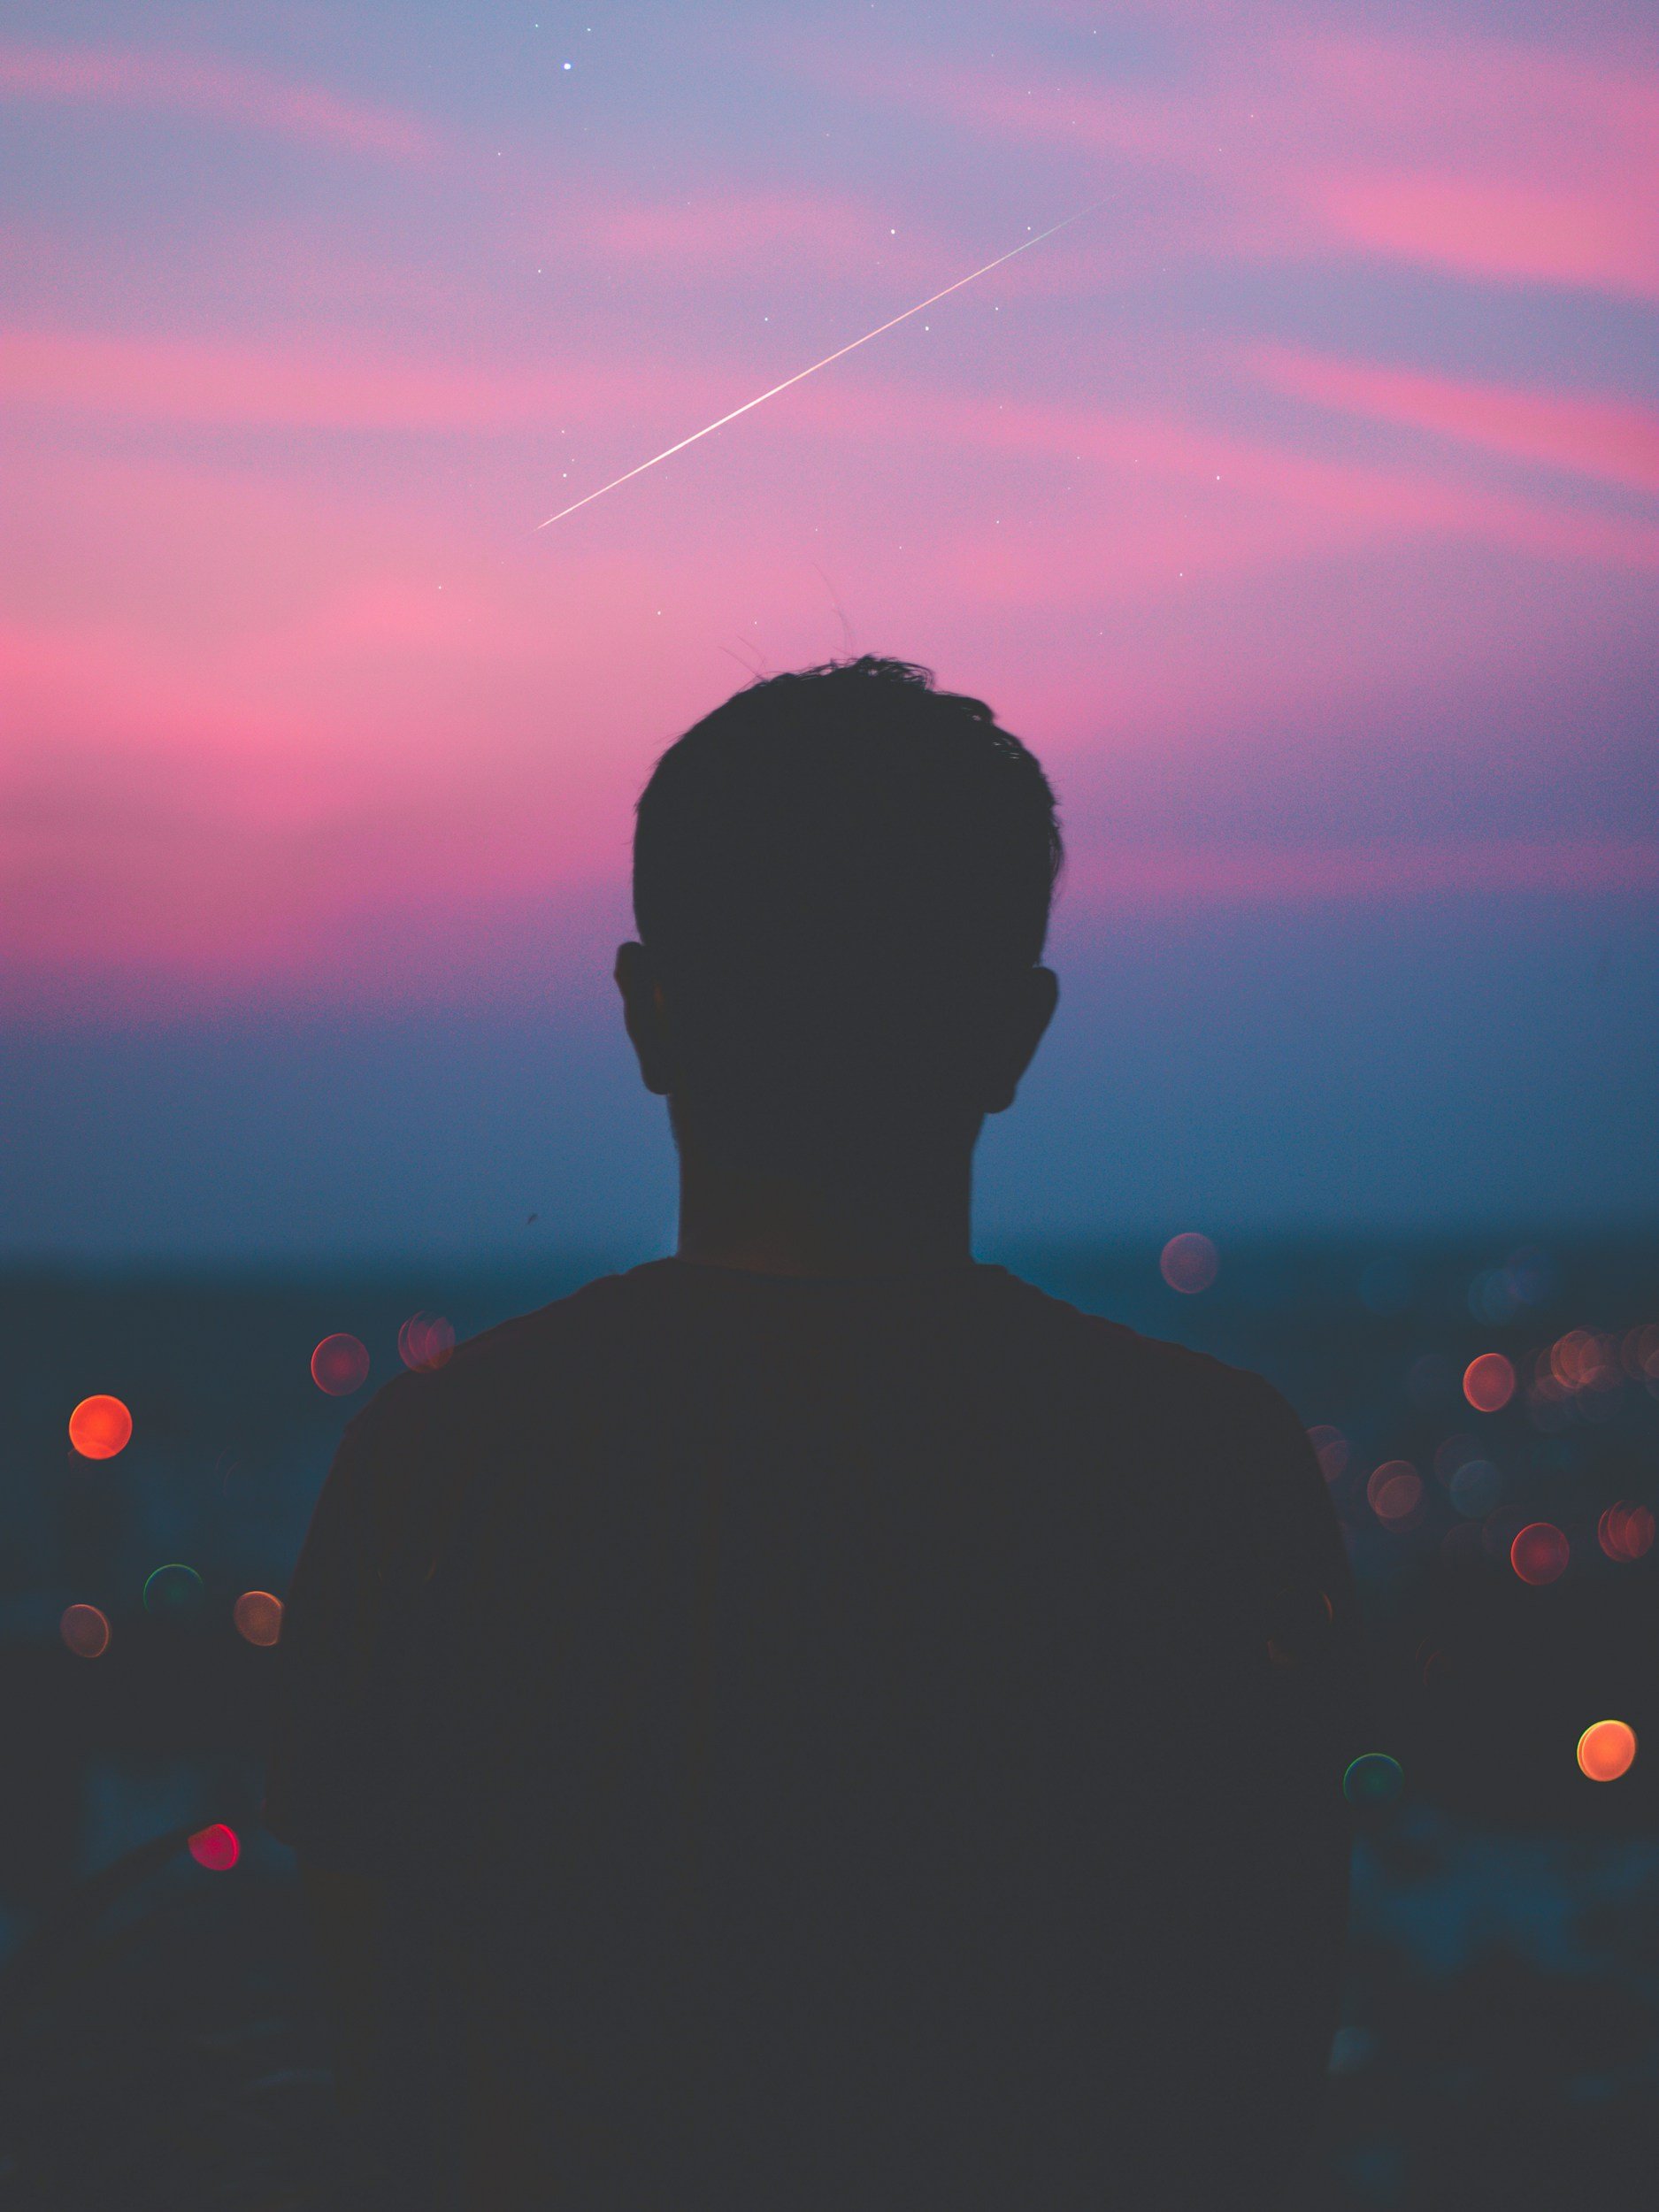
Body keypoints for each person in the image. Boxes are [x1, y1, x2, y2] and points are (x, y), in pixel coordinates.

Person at [265, 655, 1366, 2209]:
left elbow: (380, 2034)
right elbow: (1254, 2053)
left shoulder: (442, 1471)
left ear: (650, 1018)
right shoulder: (1200, 1475)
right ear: (1013, 1035)